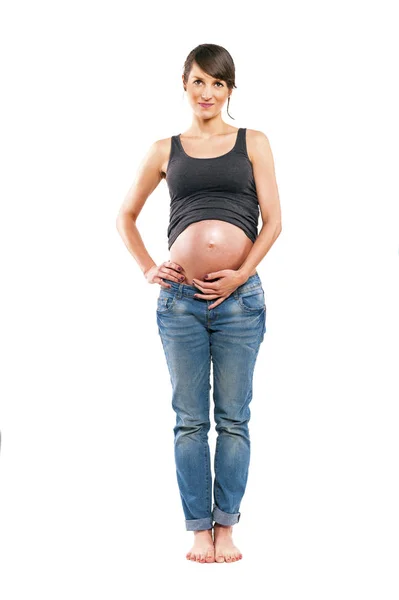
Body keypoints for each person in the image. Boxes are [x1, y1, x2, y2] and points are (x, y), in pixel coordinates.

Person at [116, 43, 282, 563]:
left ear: (230, 89)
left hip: (240, 303)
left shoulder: (253, 141)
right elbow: (125, 214)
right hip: (180, 303)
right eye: (198, 82)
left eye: (218, 83)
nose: (207, 92)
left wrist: (241, 275)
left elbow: (275, 221)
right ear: (184, 85)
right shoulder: (164, 149)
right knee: (190, 420)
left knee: (233, 419)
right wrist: (149, 267)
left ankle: (226, 527)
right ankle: (197, 530)